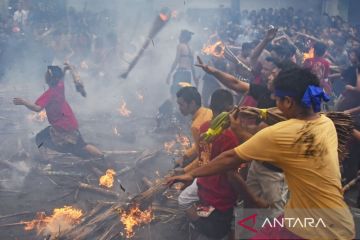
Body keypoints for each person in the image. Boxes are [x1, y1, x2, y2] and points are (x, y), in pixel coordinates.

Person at [168, 67, 355, 239]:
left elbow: (230, 158)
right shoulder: (325, 123)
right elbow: (290, 113)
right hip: (340, 220)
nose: (275, 102)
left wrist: (190, 173)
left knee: (270, 216)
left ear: (288, 101)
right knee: (256, 223)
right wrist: (262, 114)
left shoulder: (279, 133)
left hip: (313, 229)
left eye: (278, 99)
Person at [13, 65, 103, 159]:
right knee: (82, 145)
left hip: (61, 126)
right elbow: (61, 78)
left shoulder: (49, 93)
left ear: (50, 78)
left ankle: (46, 159)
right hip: (69, 122)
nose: (45, 75)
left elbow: (37, 108)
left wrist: (24, 102)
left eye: (47, 74)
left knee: (40, 139)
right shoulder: (59, 86)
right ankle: (102, 156)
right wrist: (64, 70)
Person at [175, 87, 212, 167]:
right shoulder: (208, 111)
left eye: (181, 104)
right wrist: (185, 155)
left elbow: (203, 158)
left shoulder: (196, 126)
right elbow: (201, 144)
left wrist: (184, 172)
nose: (179, 108)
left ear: (192, 103)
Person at [166, 30, 198, 96]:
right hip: (188, 75)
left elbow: (176, 60)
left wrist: (170, 73)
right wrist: (195, 79)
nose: (179, 37)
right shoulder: (191, 49)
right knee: (185, 96)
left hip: (180, 73)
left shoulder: (180, 46)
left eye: (180, 36)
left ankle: (175, 106)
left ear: (183, 37)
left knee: (175, 94)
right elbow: (192, 66)